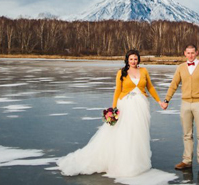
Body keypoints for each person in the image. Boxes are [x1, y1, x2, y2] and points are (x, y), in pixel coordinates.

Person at [58, 49, 167, 178]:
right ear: (127, 60)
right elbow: (117, 91)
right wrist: (114, 109)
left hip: (141, 107)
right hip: (126, 106)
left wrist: (159, 101)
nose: (133, 61)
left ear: (139, 60)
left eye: (135, 59)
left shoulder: (143, 71)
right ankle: (124, 162)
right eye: (131, 59)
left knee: (138, 133)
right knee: (125, 133)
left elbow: (150, 87)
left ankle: (138, 161)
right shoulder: (121, 72)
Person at [162, 44, 199, 172]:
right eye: (188, 53)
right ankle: (187, 160)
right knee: (187, 134)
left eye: (192, 52)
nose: (190, 55)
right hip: (185, 104)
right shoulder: (181, 68)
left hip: (198, 104)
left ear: (196, 53)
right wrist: (167, 99)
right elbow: (174, 84)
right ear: (184, 53)